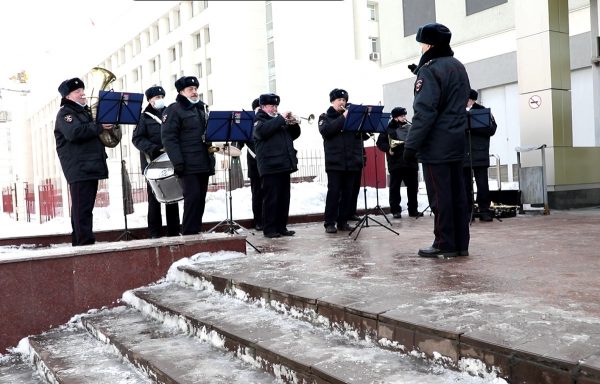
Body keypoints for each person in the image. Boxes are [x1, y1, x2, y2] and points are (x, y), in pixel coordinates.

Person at [403, 23, 471, 258]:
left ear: (430, 44)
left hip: (436, 145)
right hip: (456, 141)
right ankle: (461, 243)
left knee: (440, 196)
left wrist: (411, 145)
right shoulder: (458, 66)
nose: (420, 48)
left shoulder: (430, 70)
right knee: (458, 195)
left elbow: (425, 112)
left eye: (422, 43)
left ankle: (444, 243)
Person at [54, 77, 111, 246]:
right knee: (82, 209)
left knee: (85, 209)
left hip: (90, 165)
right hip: (79, 168)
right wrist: (99, 126)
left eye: (82, 90)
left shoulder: (83, 112)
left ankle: (81, 242)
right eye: (77, 91)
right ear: (67, 96)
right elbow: (74, 133)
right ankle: (84, 244)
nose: (82, 94)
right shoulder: (65, 113)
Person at [161, 76, 215, 235]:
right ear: (181, 92)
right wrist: (178, 162)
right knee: (192, 199)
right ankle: (189, 234)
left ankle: (195, 231)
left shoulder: (201, 109)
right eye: (190, 89)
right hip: (187, 163)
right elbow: (169, 138)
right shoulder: (174, 110)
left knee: (200, 200)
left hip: (203, 162)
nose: (194, 92)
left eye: (196, 89)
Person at [132, 85, 180, 238]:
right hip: (152, 162)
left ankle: (174, 231)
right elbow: (137, 139)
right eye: (156, 98)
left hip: (169, 161)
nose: (160, 100)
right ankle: (154, 233)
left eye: (161, 97)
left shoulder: (169, 113)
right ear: (150, 100)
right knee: (154, 200)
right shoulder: (143, 117)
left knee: (172, 197)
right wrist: (154, 148)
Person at [253, 93, 300, 238]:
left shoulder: (278, 120)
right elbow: (262, 132)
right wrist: (280, 119)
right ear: (263, 107)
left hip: (284, 164)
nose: (275, 108)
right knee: (271, 199)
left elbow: (294, 135)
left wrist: (293, 123)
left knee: (284, 198)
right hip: (270, 166)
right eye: (272, 106)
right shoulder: (258, 119)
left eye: (276, 106)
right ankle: (270, 229)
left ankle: (281, 227)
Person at [318, 88, 364, 234]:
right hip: (335, 163)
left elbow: (363, 136)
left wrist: (363, 121)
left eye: (344, 100)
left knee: (347, 193)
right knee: (334, 193)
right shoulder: (325, 117)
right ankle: (329, 222)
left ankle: (343, 221)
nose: (342, 102)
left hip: (351, 161)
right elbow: (327, 131)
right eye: (339, 100)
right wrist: (344, 117)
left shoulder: (352, 118)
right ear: (332, 101)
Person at [376, 107, 422, 219]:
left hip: (410, 162)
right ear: (395, 117)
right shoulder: (387, 129)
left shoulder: (410, 127)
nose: (404, 118)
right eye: (402, 116)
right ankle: (395, 210)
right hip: (395, 162)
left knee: (412, 187)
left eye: (405, 116)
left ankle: (413, 210)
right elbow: (380, 143)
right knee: (395, 188)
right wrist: (388, 149)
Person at [464, 89, 498, 222]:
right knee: (465, 184)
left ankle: (484, 210)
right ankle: (467, 210)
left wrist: (474, 125)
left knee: (482, 183)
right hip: (464, 153)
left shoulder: (483, 111)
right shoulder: (458, 112)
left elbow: (492, 129)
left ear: (472, 100)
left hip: (480, 152)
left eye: (466, 99)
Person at [235, 98, 263, 230]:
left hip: (269, 164)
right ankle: (258, 221)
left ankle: (270, 220)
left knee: (270, 194)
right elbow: (238, 144)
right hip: (255, 165)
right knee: (257, 193)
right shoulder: (247, 123)